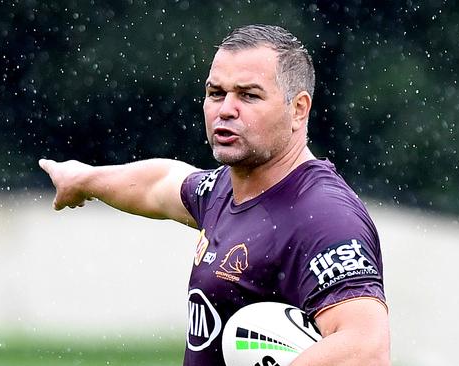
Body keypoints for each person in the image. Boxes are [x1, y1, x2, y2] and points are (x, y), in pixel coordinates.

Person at [39, 24, 390, 366]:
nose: (225, 109)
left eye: (249, 95)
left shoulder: (324, 215)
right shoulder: (226, 189)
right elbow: (160, 183)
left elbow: (365, 349)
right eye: (216, 93)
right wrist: (83, 178)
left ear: (298, 109)